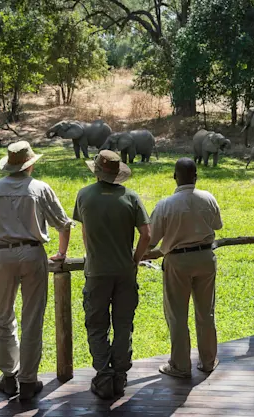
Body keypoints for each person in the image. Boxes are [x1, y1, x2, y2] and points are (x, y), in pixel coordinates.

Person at [0, 141, 72, 401]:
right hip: (34, 253)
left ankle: (8, 376)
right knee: (32, 318)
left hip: (4, 255)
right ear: (30, 164)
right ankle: (28, 380)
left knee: (4, 316)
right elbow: (63, 224)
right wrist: (61, 252)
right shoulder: (40, 188)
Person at [73, 150, 151, 398]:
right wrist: (135, 259)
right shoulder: (131, 197)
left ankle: (103, 376)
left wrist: (93, 254)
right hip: (125, 272)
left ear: (96, 171)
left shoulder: (84, 195)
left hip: (96, 272)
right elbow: (147, 235)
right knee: (123, 324)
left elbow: (85, 232)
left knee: (97, 325)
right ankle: (120, 375)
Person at [148, 158, 223, 378]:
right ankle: (208, 360)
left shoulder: (165, 204)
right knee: (206, 311)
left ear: (175, 176)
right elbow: (217, 225)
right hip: (205, 257)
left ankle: (180, 365)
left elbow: (151, 240)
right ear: (196, 176)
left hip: (178, 261)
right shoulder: (208, 198)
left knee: (177, 314)